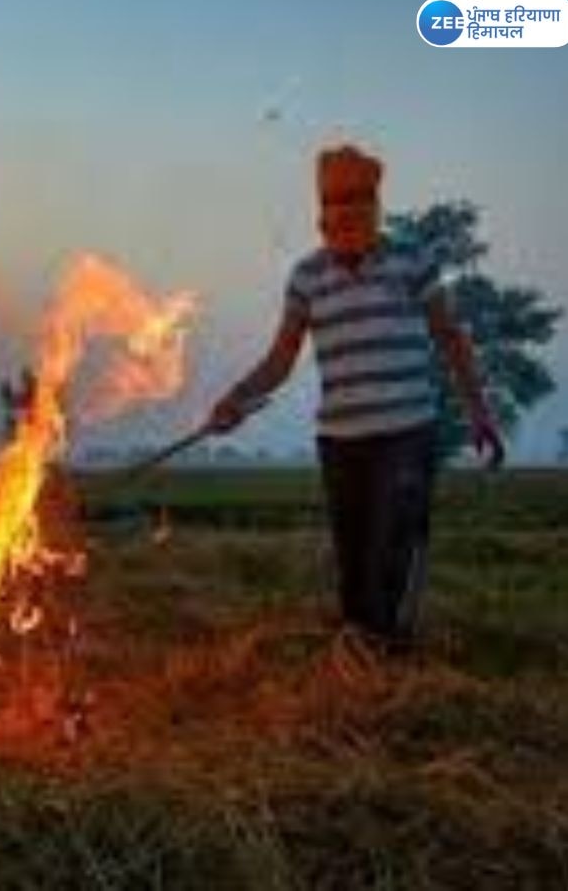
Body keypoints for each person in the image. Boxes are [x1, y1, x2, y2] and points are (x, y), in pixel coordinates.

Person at [206, 145, 503, 645]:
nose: (344, 228)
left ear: (373, 212)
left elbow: (450, 336)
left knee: (392, 547)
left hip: (406, 433)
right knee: (354, 556)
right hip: (340, 440)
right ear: (321, 219)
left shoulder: (413, 261)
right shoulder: (307, 277)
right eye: (334, 215)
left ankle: (385, 652)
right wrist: (235, 399)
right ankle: (361, 648)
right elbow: (281, 359)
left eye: (354, 214)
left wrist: (479, 411)